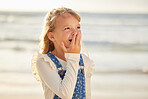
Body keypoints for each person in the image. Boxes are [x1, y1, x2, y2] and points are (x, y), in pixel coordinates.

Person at [31, 7, 94, 99]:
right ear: (52, 36)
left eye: (78, 27)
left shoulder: (84, 61)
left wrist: (74, 57)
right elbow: (65, 94)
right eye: (67, 28)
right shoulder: (45, 62)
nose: (75, 32)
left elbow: (87, 95)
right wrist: (73, 57)